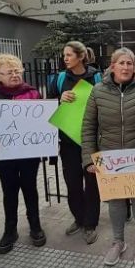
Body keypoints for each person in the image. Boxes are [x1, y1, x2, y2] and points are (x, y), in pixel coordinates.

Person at [81, 47, 135, 266]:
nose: (126, 67)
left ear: (134, 67)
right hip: (110, 157)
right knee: (115, 201)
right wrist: (88, 159)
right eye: (121, 63)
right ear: (112, 66)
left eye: (129, 63)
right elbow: (88, 126)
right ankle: (118, 242)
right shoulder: (98, 91)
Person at [0, 53, 46, 254]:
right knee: (9, 191)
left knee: (30, 188)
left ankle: (35, 226)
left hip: (29, 155)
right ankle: (10, 230)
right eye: (9, 72)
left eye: (17, 71)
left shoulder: (33, 93)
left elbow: (44, 123)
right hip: (4, 157)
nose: (14, 75)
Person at [48, 41, 102, 245]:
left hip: (91, 140)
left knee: (91, 184)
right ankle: (78, 219)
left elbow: (106, 101)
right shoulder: (61, 78)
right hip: (68, 140)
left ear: (80, 57)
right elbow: (48, 103)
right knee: (72, 183)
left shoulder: (96, 76)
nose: (65, 58)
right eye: (64, 55)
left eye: (69, 55)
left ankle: (90, 224)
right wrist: (59, 98)